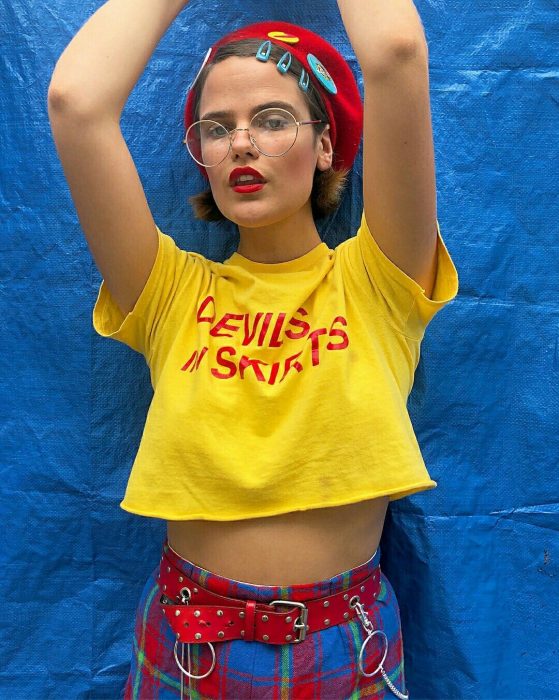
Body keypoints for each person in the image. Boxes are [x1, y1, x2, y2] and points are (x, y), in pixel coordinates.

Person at [47, 1, 459, 698]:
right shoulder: (168, 292)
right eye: (217, 128)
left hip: (345, 649)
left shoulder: (377, 281)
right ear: (201, 156)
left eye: (271, 120)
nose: (240, 144)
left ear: (325, 145)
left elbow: (394, 53)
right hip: (186, 646)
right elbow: (75, 102)